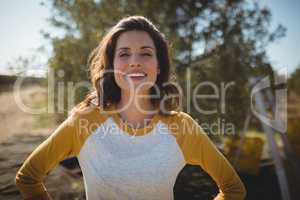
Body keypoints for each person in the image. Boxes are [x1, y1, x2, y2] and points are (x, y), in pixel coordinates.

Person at [15, 15, 246, 200]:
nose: (135, 61)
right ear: (111, 65)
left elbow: (234, 190)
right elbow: (28, 178)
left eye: (146, 53)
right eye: (124, 54)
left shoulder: (182, 127)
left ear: (158, 66)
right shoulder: (85, 121)